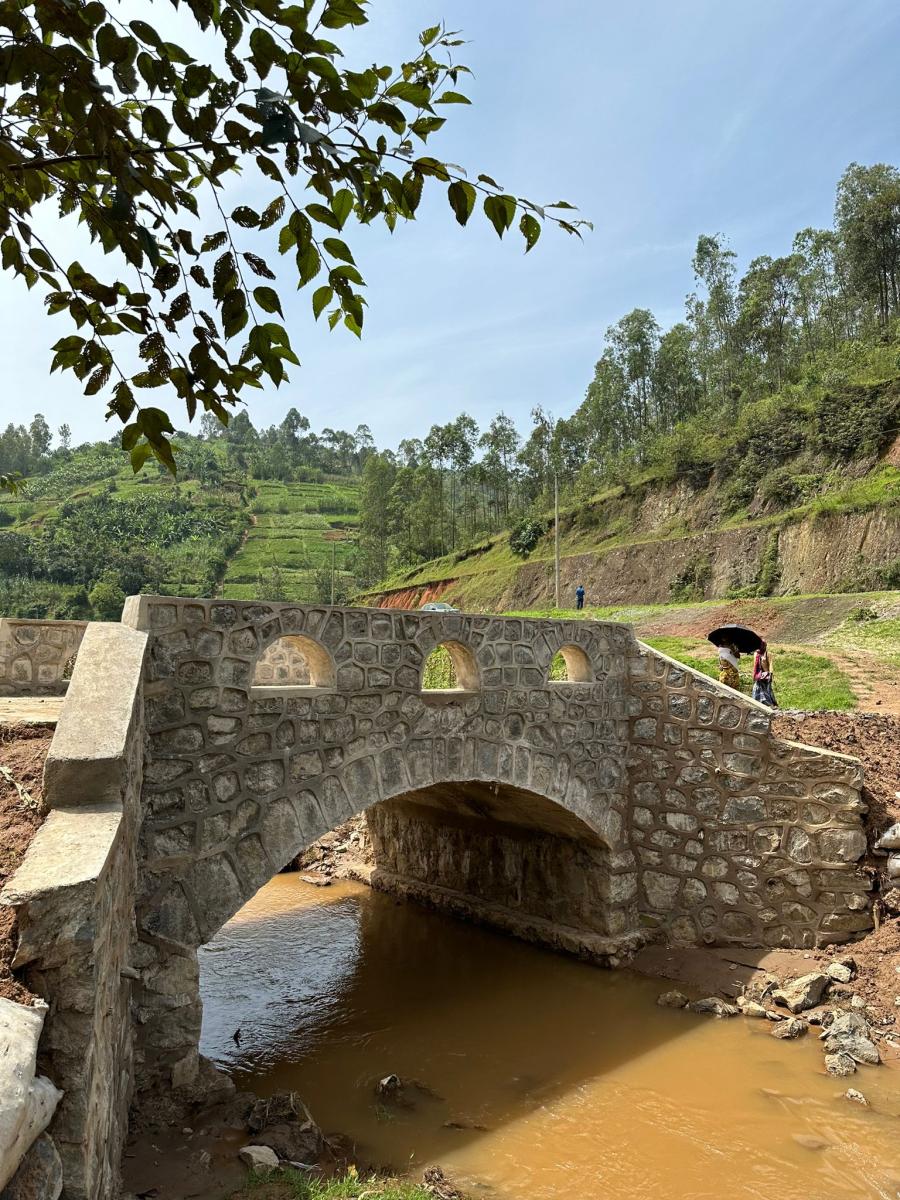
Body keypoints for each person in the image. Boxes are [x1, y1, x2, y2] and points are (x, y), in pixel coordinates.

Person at [752, 639, 777, 707]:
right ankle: (757, 703)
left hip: (765, 676)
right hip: (758, 676)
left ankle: (768, 704)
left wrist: (771, 674)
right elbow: (754, 665)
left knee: (766, 690)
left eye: (764, 646)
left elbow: (771, 664)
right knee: (757, 688)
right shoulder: (756, 654)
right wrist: (754, 675)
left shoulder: (768, 654)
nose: (762, 647)